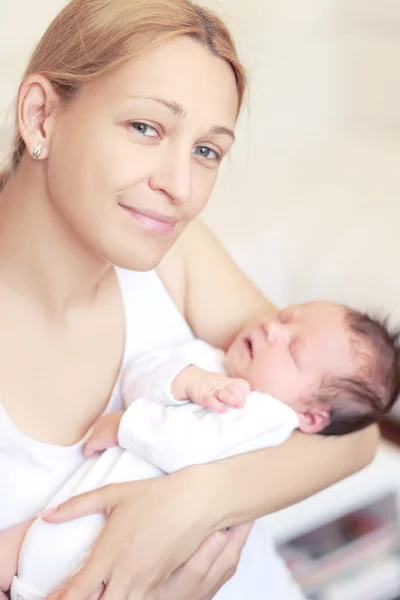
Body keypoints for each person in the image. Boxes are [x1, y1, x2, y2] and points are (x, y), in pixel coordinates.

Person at [0, 1, 378, 599]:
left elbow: (353, 430)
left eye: (207, 151)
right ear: (42, 116)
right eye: (146, 128)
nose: (180, 188)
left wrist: (186, 505)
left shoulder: (173, 255)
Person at [10, 301, 398, 599]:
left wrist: (127, 424)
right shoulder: (212, 361)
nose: (271, 329)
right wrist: (186, 380)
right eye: (283, 317)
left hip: (100, 553)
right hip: (60, 519)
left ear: (311, 417)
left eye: (293, 349)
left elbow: (186, 448)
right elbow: (139, 374)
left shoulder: (267, 417)